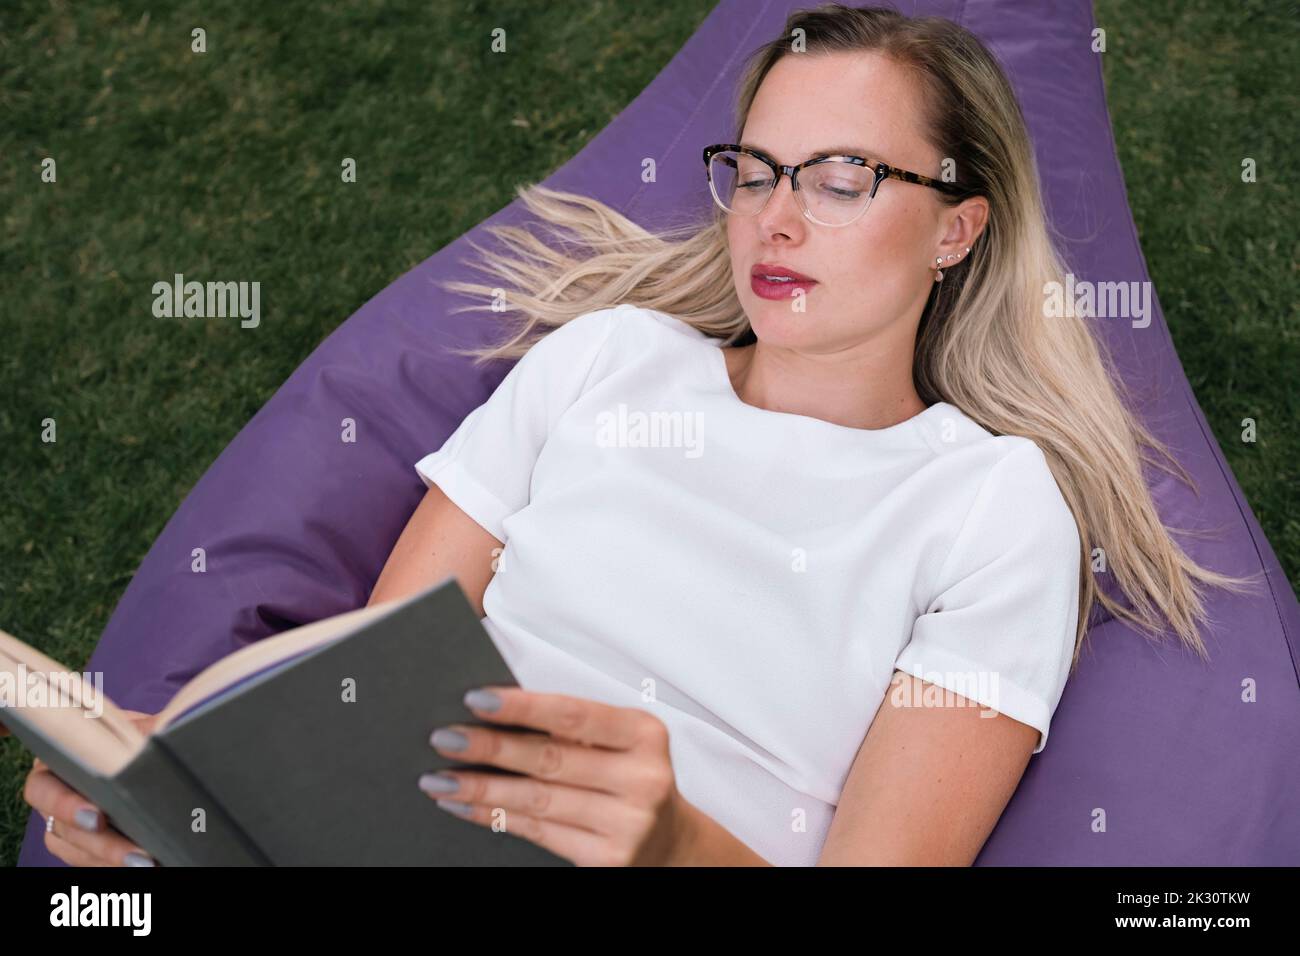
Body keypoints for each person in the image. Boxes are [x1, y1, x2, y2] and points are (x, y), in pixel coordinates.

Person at [18, 2, 1259, 867]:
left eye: (839, 180)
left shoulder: (990, 506)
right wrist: (179, 811)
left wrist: (667, 842)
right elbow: (360, 681)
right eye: (757, 171)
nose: (776, 218)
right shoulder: (609, 358)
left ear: (956, 228)